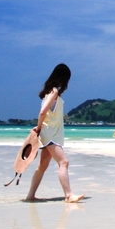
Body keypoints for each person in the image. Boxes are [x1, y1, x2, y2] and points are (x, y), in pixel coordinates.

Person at [25, 63, 85, 203]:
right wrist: (39, 128)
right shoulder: (54, 92)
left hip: (50, 134)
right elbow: (42, 112)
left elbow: (44, 112)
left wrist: (40, 129)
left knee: (42, 166)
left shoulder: (49, 92)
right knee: (64, 162)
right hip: (50, 134)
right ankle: (69, 195)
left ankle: (30, 196)